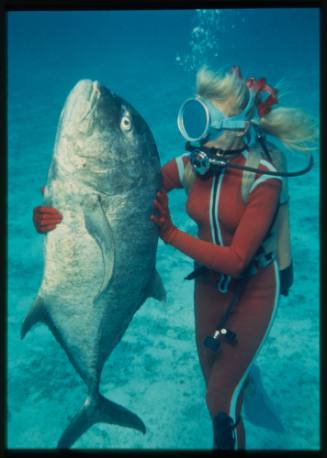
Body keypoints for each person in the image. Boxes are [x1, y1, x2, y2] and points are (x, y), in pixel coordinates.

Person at [33, 66, 317, 450]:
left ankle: (238, 386)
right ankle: (246, 376)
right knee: (216, 374)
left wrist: (170, 234)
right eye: (195, 119)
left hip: (253, 292)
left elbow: (236, 260)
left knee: (218, 400)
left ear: (235, 125)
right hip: (209, 293)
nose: (199, 136)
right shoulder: (192, 167)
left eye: (206, 123)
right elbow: (132, 188)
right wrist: (63, 205)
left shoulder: (263, 178)